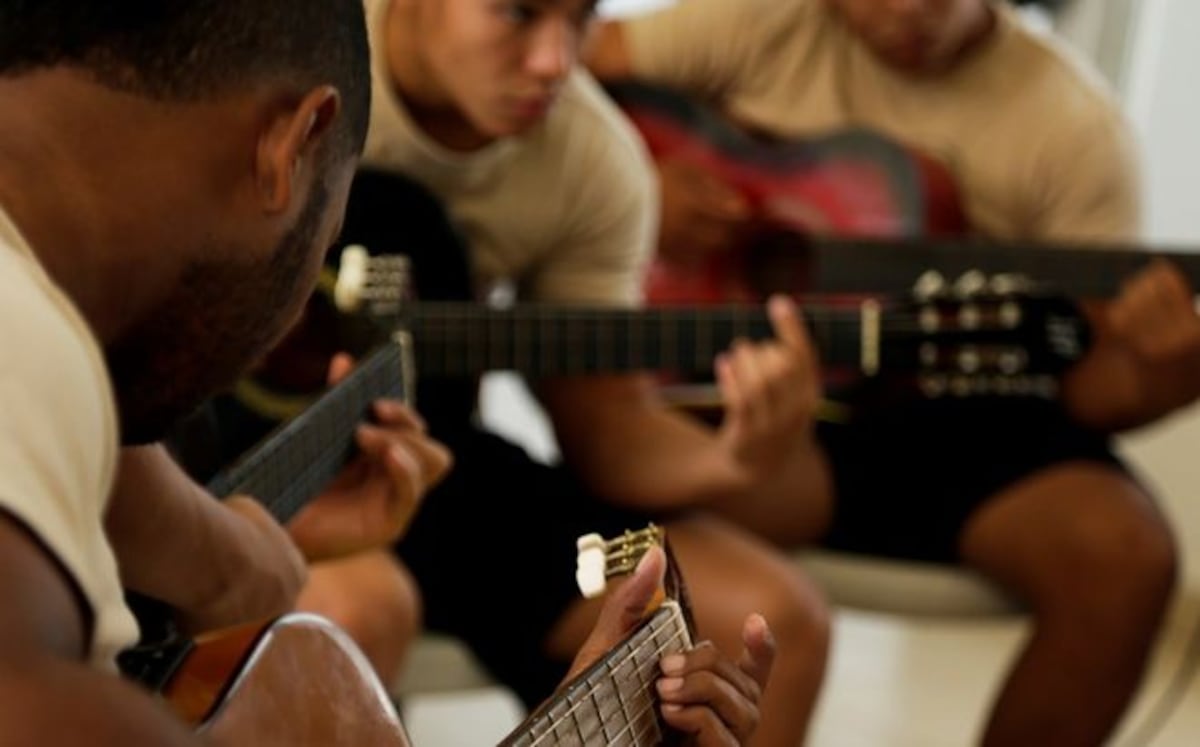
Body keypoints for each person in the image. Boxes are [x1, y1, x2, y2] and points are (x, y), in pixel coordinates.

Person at [0, 1, 774, 744]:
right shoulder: (28, 336)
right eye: (324, 243)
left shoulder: (56, 353)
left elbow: (108, 468)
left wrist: (236, 557)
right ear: (292, 148)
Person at [205, 1, 833, 744]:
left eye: (581, 19)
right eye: (518, 13)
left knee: (770, 614)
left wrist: (731, 456)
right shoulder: (268, 58)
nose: (555, 61)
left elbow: (608, 425)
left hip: (425, 453)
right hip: (224, 463)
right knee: (355, 611)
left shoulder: (594, 160)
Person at [587, 0, 1200, 744]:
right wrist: (640, 181)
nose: (910, 8)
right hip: (746, 390)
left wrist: (1161, 378)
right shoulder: (758, 21)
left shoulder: (1075, 129)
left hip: (961, 423)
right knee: (657, 477)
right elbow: (554, 75)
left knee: (1125, 555)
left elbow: (1088, 387)